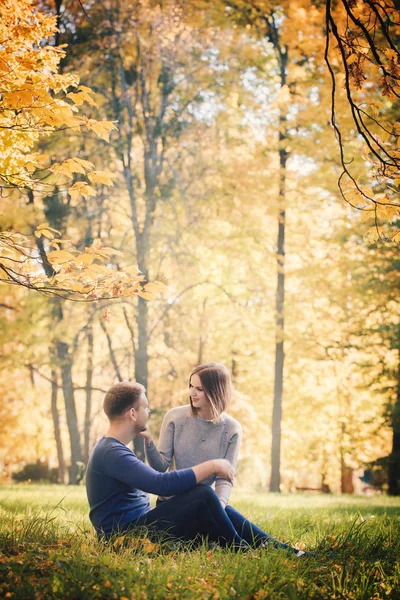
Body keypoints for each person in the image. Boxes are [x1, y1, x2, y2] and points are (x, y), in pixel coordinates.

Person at [86, 381, 309, 555]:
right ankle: (243, 551)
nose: (149, 410)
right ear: (132, 414)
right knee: (203, 494)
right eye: (145, 406)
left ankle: (282, 550)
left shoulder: (112, 449)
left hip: (138, 530)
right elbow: (159, 483)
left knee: (215, 506)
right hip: (125, 540)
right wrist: (212, 465)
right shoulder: (112, 453)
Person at [141, 363, 241, 508]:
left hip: (201, 504)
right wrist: (149, 441)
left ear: (216, 392)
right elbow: (161, 466)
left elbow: (224, 479)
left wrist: (220, 506)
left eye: (199, 389)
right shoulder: (174, 417)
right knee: (205, 493)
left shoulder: (232, 429)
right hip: (170, 503)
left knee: (227, 513)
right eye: (191, 386)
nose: (191, 393)